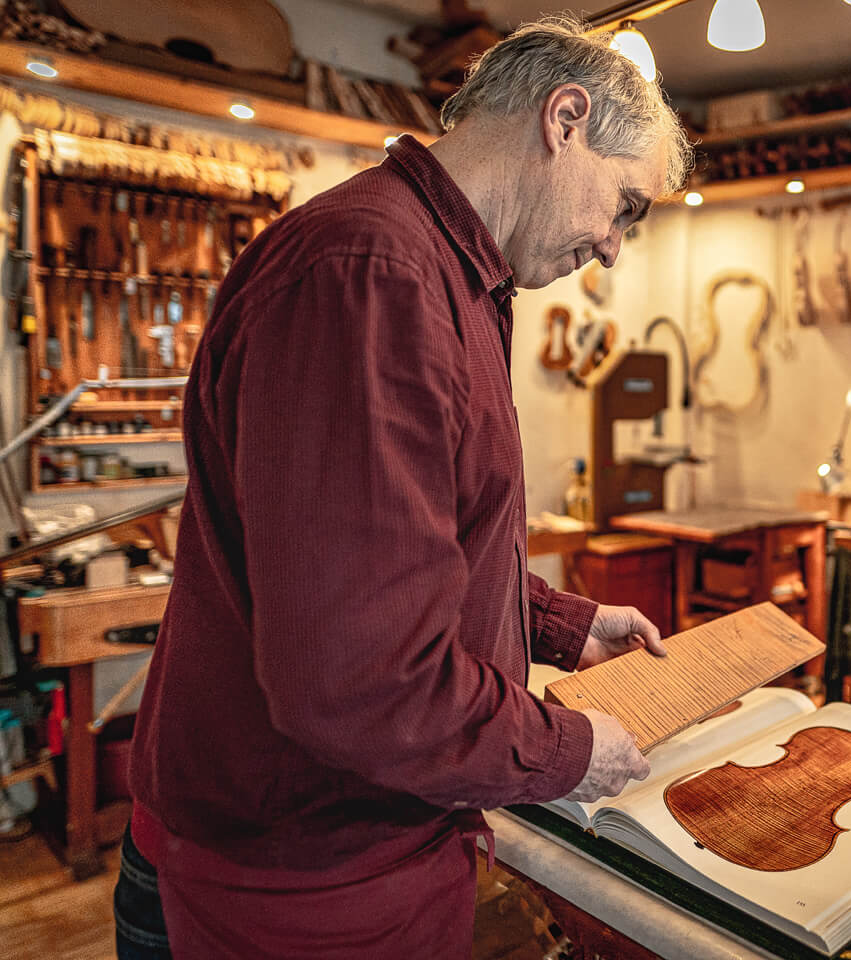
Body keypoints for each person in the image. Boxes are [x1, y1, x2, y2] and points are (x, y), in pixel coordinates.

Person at [115, 16, 694, 959]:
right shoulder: (370, 275)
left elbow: (417, 548)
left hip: (371, 845)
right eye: (626, 206)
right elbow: (359, 678)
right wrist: (566, 751)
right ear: (565, 119)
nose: (615, 246)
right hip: (295, 878)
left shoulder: (453, 276)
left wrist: (556, 622)